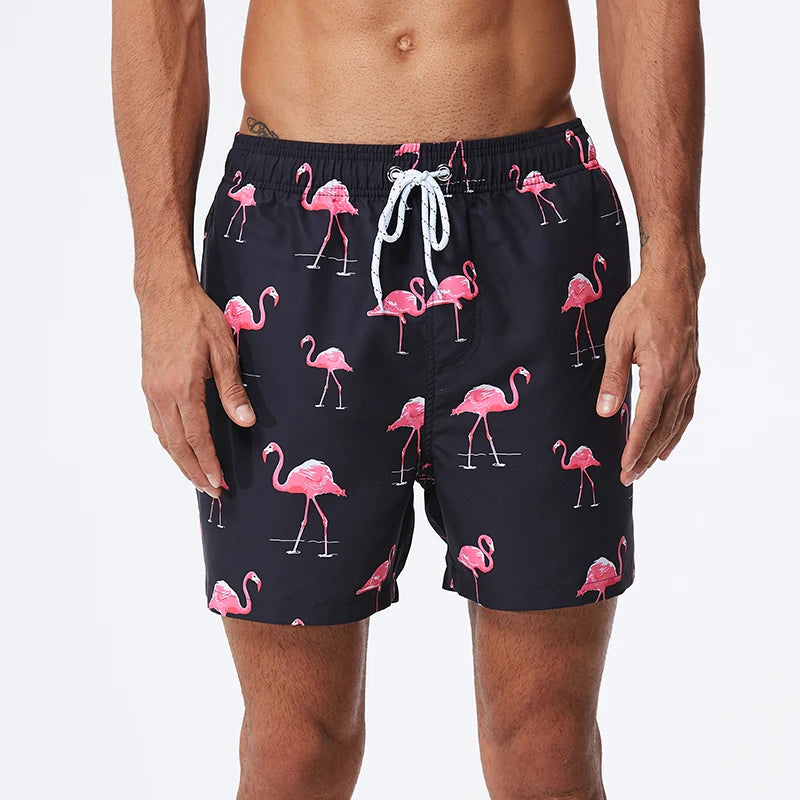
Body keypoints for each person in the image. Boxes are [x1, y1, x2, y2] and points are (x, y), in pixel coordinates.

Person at [112, 1, 704, 797]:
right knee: (294, 750)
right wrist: (160, 278)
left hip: (531, 229)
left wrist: (674, 257)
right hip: (289, 230)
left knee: (547, 745)